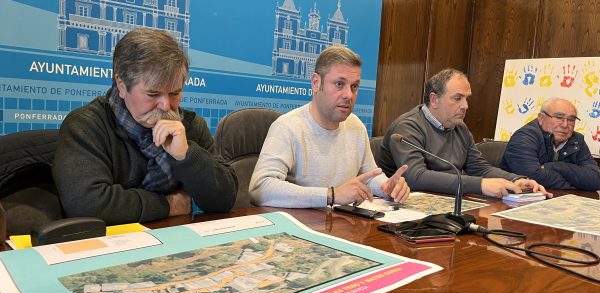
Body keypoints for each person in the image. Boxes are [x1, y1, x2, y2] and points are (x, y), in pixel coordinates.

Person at [53, 28, 238, 225]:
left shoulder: (190, 126)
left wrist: (186, 155)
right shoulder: (86, 126)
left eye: (175, 93)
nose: (166, 106)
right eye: (152, 94)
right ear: (122, 86)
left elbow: (224, 200)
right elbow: (86, 205)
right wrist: (169, 205)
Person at [249, 46, 410, 208]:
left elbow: (368, 175)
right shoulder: (287, 127)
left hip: (343, 225)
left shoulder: (356, 126)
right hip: (302, 226)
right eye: (339, 84)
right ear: (316, 83)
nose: (348, 95)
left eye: (354, 86)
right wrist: (331, 195)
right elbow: (260, 188)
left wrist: (386, 186)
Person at [377, 68, 550, 198]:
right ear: (434, 99)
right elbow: (416, 177)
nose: (465, 106)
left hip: (446, 200)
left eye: (467, 98)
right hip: (404, 205)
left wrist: (515, 180)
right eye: (457, 98)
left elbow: (479, 167)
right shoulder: (407, 127)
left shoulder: (459, 127)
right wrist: (481, 185)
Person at [500, 98, 600, 190]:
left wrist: (556, 166)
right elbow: (532, 177)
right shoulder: (524, 137)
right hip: (516, 199)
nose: (565, 125)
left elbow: (596, 179)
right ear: (541, 118)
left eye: (571, 119)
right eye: (559, 117)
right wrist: (578, 184)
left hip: (560, 200)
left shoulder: (577, 140)